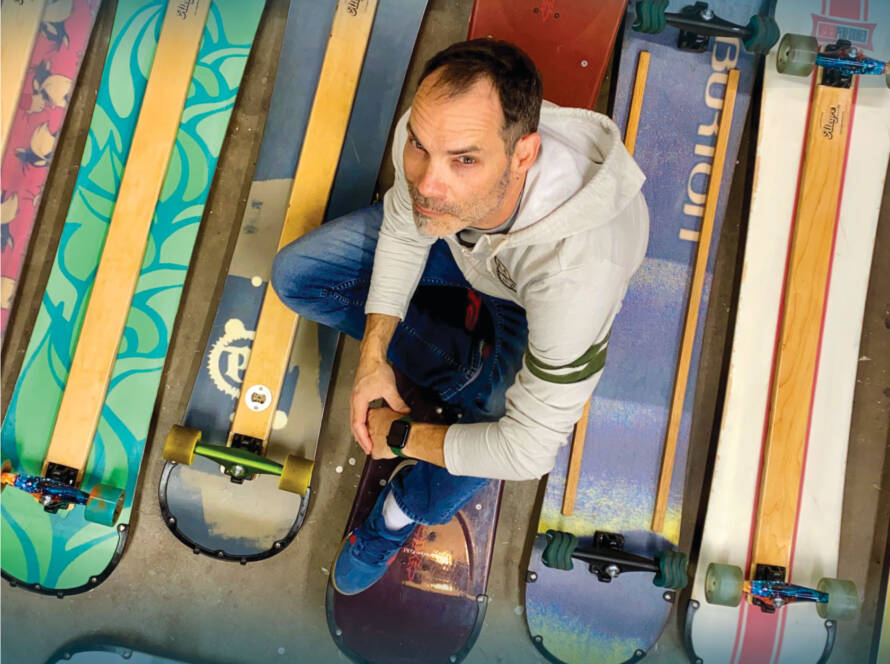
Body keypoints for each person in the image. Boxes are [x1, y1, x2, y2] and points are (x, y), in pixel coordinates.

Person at [271, 38, 648, 595]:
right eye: (420, 148)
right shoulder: (433, 139)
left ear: (522, 155)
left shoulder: (576, 274)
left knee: (499, 423)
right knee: (297, 277)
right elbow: (407, 226)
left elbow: (527, 451)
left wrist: (400, 435)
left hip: (531, 294)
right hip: (465, 239)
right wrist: (374, 354)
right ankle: (460, 377)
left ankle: (401, 508)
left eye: (464, 160)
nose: (426, 182)